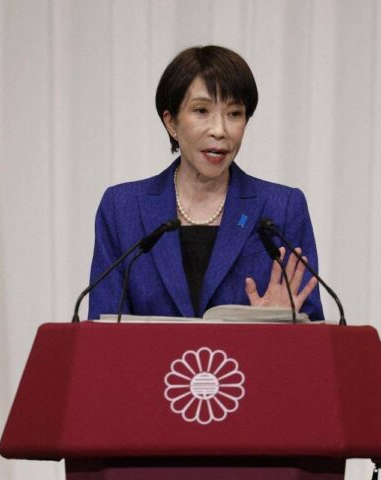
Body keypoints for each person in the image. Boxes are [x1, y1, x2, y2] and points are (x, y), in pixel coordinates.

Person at [88, 45, 322, 321]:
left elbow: (312, 330)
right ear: (171, 122)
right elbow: (102, 329)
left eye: (234, 113)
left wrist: (279, 323)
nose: (220, 130)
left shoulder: (281, 209)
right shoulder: (122, 209)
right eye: (201, 110)